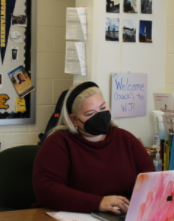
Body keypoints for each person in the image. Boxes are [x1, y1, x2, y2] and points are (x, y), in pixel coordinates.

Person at [33, 82, 155, 214]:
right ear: (74, 119)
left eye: (103, 108)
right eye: (90, 113)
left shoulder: (126, 139)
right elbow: (46, 189)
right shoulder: (59, 142)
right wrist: (98, 202)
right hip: (74, 218)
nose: (99, 116)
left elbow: (151, 180)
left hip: (121, 216)